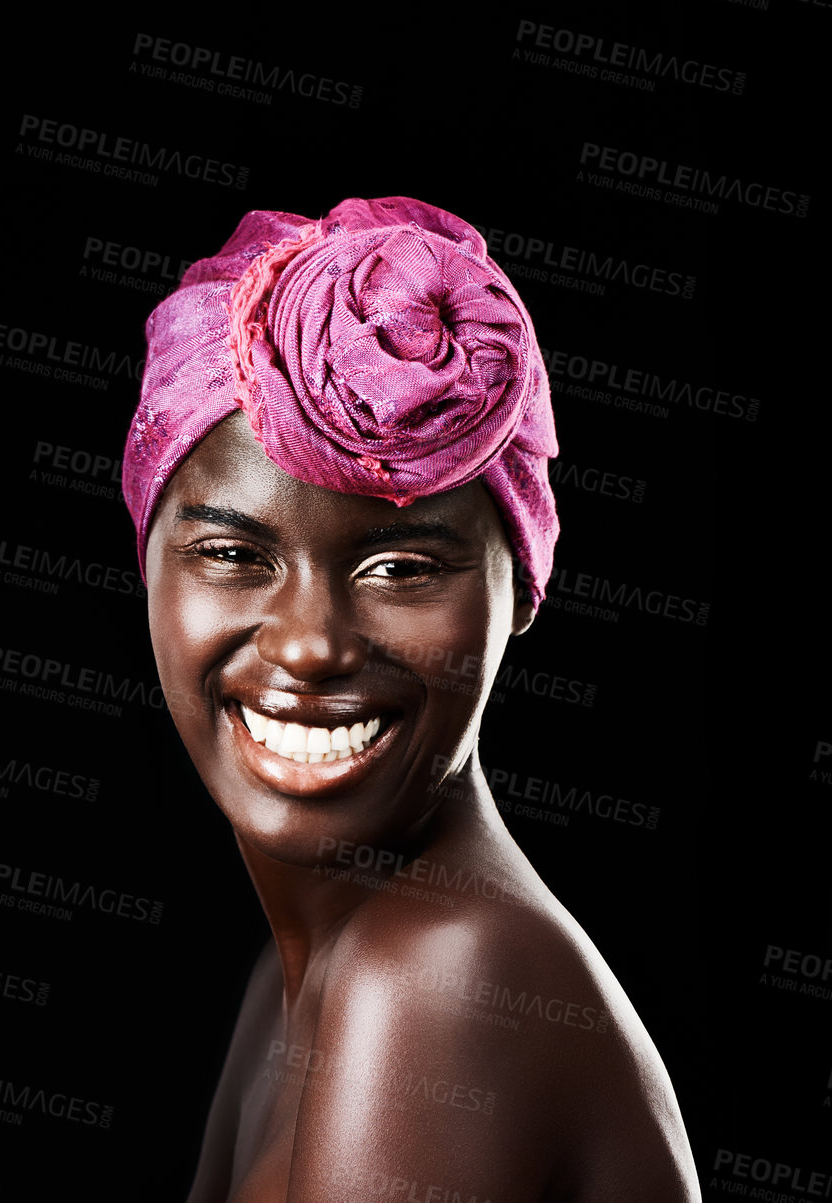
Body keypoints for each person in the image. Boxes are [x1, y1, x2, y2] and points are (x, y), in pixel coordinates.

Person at [122, 198, 698, 1202]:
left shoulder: (435, 981)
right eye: (230, 554)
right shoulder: (299, 976)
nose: (308, 645)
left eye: (398, 567)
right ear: (148, 566)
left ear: (518, 588)